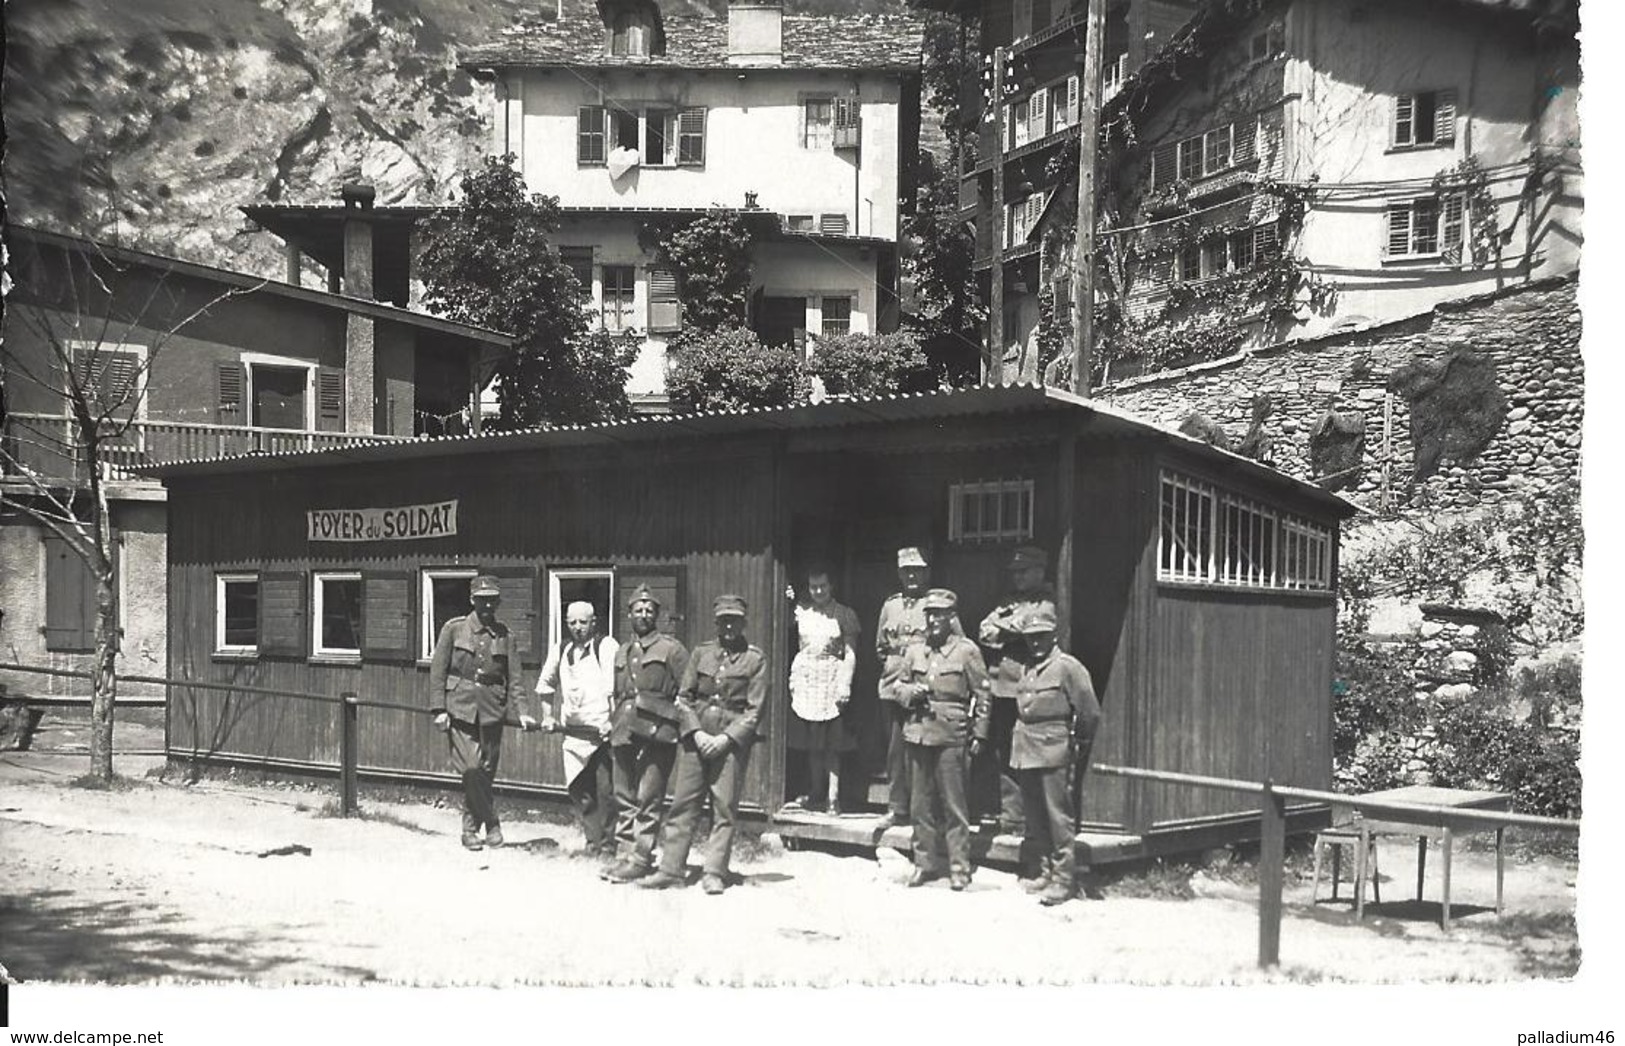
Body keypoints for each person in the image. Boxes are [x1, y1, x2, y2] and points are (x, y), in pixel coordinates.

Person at [641, 594, 767, 895]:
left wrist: (725, 739)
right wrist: (696, 733)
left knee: (723, 807)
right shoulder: (701, 654)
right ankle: (671, 868)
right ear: (716, 622)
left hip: (730, 744)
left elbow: (754, 710)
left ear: (744, 622)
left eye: (734, 620)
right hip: (695, 740)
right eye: (724, 620)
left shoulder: (754, 659)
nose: (729, 626)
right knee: (684, 803)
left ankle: (714, 871)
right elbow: (684, 698)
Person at [976, 603, 1100, 906]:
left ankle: (1063, 879)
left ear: (1053, 635)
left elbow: (1089, 711)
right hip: (1026, 747)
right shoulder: (1027, 667)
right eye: (1031, 637)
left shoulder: (1068, 667)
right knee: (1034, 814)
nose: (1035, 642)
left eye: (1041, 636)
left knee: (1058, 816)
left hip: (1053, 747)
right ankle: (1044, 870)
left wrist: (1078, 742)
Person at [887, 588, 990, 891]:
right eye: (929, 614)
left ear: (951, 617)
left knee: (954, 806)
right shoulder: (915, 651)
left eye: (940, 614)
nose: (933, 620)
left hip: (951, 735)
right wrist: (910, 694)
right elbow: (898, 687)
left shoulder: (966, 650)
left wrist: (980, 733)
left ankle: (959, 867)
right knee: (920, 805)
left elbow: (983, 693)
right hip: (918, 733)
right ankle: (924, 864)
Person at [428, 574, 536, 850]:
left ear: (498, 602)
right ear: (472, 600)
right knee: (472, 769)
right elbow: (438, 671)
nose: (487, 606)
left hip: (492, 709)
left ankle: (470, 831)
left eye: (492, 601)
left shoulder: (505, 635)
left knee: (486, 771)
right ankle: (493, 823)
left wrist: (522, 710)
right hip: (460, 707)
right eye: (482, 600)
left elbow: (515, 678)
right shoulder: (454, 629)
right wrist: (438, 708)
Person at [601, 585, 690, 884]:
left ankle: (641, 857)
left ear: (658, 615)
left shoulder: (672, 649)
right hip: (624, 728)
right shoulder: (622, 652)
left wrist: (676, 724)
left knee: (648, 797)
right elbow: (618, 692)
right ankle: (624, 854)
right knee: (623, 794)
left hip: (657, 731)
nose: (643, 615)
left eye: (649, 610)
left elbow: (686, 693)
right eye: (638, 610)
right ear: (628, 615)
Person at [873, 547, 961, 832]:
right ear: (899, 573)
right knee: (896, 750)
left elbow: (957, 643)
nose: (912, 575)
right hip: (894, 684)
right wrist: (893, 667)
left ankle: (929, 811)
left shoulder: (936, 605)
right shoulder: (891, 606)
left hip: (926, 685)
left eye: (918, 570)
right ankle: (897, 808)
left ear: (927, 573)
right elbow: (880, 647)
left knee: (927, 749)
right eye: (907, 570)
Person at [976, 544, 1055, 833]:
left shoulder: (1046, 601)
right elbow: (985, 629)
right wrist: (1008, 631)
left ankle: (1030, 819)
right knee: (1002, 751)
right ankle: (1011, 815)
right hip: (1000, 688)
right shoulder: (1008, 601)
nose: (1018, 577)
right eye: (1015, 572)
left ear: (1039, 571)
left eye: (1023, 572)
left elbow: (1029, 627)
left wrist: (1005, 629)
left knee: (1028, 752)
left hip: (1026, 686)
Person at [532, 600, 619, 859]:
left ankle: (608, 846)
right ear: (567, 623)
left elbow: (614, 688)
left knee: (606, 793)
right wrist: (547, 716)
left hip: (601, 734)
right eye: (573, 622)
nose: (578, 627)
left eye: (583, 622)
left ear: (594, 622)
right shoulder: (561, 649)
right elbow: (545, 684)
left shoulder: (606, 646)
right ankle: (593, 843)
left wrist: (611, 721)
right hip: (573, 735)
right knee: (581, 791)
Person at [784, 569, 861, 814]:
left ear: (831, 586)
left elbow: (850, 653)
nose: (818, 591)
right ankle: (816, 790)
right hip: (807, 681)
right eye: (814, 587)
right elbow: (784, 623)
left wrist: (845, 684)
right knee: (813, 743)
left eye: (823, 587)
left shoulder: (844, 614)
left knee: (832, 744)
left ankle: (832, 797)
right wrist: (787, 600)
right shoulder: (801, 612)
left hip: (830, 680)